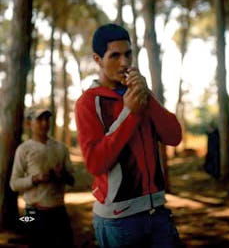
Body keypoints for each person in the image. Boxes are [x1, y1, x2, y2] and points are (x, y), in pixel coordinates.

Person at [74, 23, 182, 248]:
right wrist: (131, 113)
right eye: (114, 56)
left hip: (158, 214)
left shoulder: (141, 94)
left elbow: (174, 137)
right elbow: (95, 163)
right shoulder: (88, 103)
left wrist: (147, 98)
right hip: (119, 221)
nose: (124, 63)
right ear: (97, 59)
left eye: (128, 54)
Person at [10, 107, 75, 248]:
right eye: (39, 119)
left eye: (47, 119)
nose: (44, 123)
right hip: (33, 211)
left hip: (58, 211)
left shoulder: (60, 148)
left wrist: (61, 175)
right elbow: (14, 184)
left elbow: (72, 180)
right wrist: (35, 179)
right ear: (29, 123)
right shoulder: (24, 149)